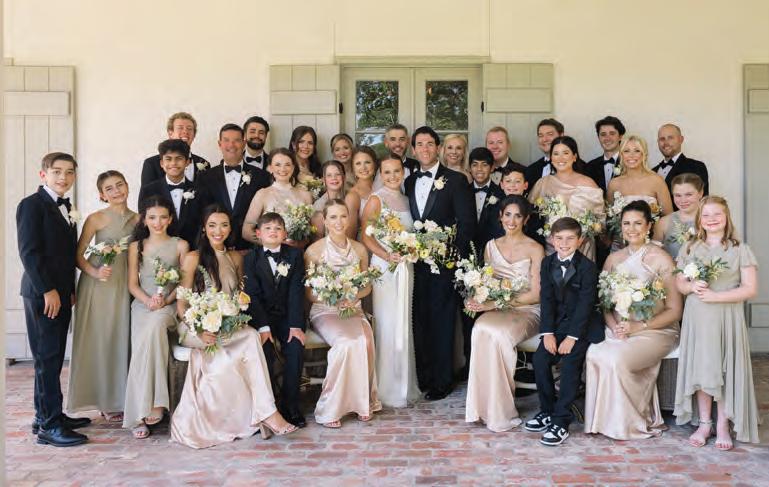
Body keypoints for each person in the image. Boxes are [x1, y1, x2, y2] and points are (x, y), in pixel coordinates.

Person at [170, 206, 297, 448]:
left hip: (227, 324)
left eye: (224, 225)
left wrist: (231, 317)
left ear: (231, 229)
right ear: (204, 228)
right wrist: (199, 329)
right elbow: (182, 304)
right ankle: (266, 414)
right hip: (196, 326)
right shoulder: (193, 258)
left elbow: (241, 297)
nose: (218, 231)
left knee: (250, 335)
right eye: (212, 225)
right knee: (239, 348)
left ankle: (267, 412)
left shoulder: (236, 257)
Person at [583, 200, 682, 440]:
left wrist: (638, 327)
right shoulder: (613, 259)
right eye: (626, 223)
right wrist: (613, 326)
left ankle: (628, 423)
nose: (631, 229)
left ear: (648, 226)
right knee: (595, 353)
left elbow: (674, 310)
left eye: (638, 223)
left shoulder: (662, 259)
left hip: (656, 330)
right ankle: (602, 422)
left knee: (616, 358)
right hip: (619, 328)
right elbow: (604, 304)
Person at [17, 152, 91, 447]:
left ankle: (46, 415)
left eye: (69, 172)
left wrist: (68, 289)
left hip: (61, 293)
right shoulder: (31, 205)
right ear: (43, 174)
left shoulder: (66, 207)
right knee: (46, 359)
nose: (63, 177)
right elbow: (29, 252)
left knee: (53, 357)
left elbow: (65, 255)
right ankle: (49, 427)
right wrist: (48, 290)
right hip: (42, 294)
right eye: (57, 171)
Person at [674, 196, 759, 448]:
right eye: (706, 215)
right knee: (702, 368)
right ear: (699, 219)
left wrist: (716, 297)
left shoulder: (740, 248)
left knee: (723, 370)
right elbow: (679, 283)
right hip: (698, 316)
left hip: (726, 316)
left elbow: (750, 288)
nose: (712, 219)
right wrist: (690, 287)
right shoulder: (689, 247)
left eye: (717, 214)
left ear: (726, 217)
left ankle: (723, 424)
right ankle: (705, 423)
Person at [405, 126, 476, 400]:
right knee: (420, 321)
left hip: (445, 264)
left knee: (443, 322)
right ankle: (424, 377)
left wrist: (451, 258)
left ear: (438, 148)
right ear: (414, 150)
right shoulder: (410, 181)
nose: (424, 149)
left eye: (429, 144)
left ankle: (442, 381)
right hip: (414, 264)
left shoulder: (456, 180)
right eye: (419, 144)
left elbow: (467, 223)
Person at [465, 196, 544, 432]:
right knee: (480, 328)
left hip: (527, 310)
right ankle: (481, 408)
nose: (512, 220)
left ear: (526, 219)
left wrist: (496, 303)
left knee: (498, 335)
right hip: (498, 308)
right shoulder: (490, 246)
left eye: (518, 216)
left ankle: (501, 411)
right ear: (500, 216)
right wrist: (477, 299)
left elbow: (536, 294)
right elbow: (485, 284)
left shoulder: (535, 248)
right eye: (508, 214)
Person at [524, 217, 604, 446]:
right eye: (559, 238)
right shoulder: (547, 263)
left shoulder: (588, 268)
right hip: (557, 326)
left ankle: (561, 421)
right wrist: (547, 333)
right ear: (552, 239)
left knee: (570, 363)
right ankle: (547, 410)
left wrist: (571, 337)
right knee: (540, 359)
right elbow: (547, 300)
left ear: (580, 241)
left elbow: (585, 306)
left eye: (570, 238)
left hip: (581, 327)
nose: (564, 243)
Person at [67, 171, 138, 425]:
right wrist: (95, 272)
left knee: (122, 338)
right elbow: (78, 255)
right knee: (101, 339)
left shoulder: (139, 219)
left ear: (127, 185)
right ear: (102, 195)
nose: (116, 191)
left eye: (120, 185)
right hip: (99, 286)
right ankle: (104, 401)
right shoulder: (95, 219)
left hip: (125, 284)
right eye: (109, 188)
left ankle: (121, 397)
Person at [305, 200, 381, 427]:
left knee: (365, 340)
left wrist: (353, 296)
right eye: (333, 217)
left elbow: (367, 286)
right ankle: (331, 407)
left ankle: (362, 403)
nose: (339, 222)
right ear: (325, 221)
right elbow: (309, 293)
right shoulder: (314, 251)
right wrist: (333, 299)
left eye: (343, 216)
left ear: (349, 219)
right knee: (346, 343)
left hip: (353, 308)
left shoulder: (359, 249)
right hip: (325, 310)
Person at [123, 196, 189, 439]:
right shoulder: (136, 247)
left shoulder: (181, 245)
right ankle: (143, 408)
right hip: (143, 306)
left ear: (170, 219)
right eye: (152, 218)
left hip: (168, 307)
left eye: (163, 217)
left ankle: (154, 404)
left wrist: (166, 300)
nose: (157, 222)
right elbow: (132, 284)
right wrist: (148, 301)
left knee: (157, 323)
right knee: (146, 336)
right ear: (144, 219)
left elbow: (184, 283)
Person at [360, 154, 420, 408]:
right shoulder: (376, 199)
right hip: (384, 267)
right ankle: (386, 387)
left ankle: (405, 384)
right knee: (387, 323)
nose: (393, 176)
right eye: (387, 172)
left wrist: (411, 250)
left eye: (397, 171)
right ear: (380, 174)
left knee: (404, 321)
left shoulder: (407, 200)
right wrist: (387, 255)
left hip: (406, 266)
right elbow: (366, 236)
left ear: (403, 173)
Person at [244, 212, 308, 428]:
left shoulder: (295, 255)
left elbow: (296, 291)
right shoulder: (250, 258)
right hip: (262, 318)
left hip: (288, 317)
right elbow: (252, 294)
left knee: (295, 347)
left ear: (285, 233)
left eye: (278, 228)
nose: (273, 232)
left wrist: (296, 325)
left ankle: (291, 405)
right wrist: (263, 327)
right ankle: (270, 407)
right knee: (265, 351)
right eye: (268, 228)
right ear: (258, 234)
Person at [528, 136, 604, 261]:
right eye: (556, 154)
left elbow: (600, 221)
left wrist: (584, 235)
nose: (560, 158)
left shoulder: (588, 183)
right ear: (551, 158)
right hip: (550, 249)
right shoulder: (543, 183)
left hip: (582, 248)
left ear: (574, 157)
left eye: (565, 153)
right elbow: (531, 217)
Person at [197, 123, 271, 251]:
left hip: (250, 249)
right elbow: (202, 214)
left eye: (236, 140)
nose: (231, 145)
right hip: (216, 247)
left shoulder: (262, 177)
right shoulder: (205, 177)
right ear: (219, 144)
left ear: (244, 143)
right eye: (226, 140)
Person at [607, 135, 674, 250]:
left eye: (637, 151)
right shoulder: (614, 184)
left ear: (644, 154)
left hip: (650, 245)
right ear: (621, 155)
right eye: (626, 151)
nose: (631, 155)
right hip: (620, 246)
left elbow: (668, 217)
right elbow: (609, 219)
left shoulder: (657, 181)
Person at [242, 148, 314, 247]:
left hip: (296, 252)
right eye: (277, 165)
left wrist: (298, 244)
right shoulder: (262, 194)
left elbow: (311, 232)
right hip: (268, 252)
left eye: (287, 165)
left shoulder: (305, 195)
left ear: (293, 167)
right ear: (270, 168)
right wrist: (271, 243)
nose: (283, 169)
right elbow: (246, 231)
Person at [138, 139, 202, 249]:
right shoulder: (148, 190)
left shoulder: (199, 190)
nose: (173, 163)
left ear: (187, 162)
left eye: (179, 158)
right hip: (158, 250)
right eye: (168, 159)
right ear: (161, 163)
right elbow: (144, 222)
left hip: (191, 250)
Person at [140, 112, 209, 188]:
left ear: (194, 135)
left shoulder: (204, 163)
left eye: (189, 128)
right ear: (170, 133)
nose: (185, 131)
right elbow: (147, 194)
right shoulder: (151, 164)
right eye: (180, 128)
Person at [653, 173, 705, 258]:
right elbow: (654, 255)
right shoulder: (663, 223)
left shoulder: (713, 220)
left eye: (688, 194)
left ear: (700, 193)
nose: (683, 200)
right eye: (678, 195)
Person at [652, 123, 710, 201]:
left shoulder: (696, 167)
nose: (666, 143)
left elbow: (703, 202)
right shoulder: (652, 172)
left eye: (670, 138)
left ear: (681, 139)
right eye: (662, 139)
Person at [311, 160, 357, 239]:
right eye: (329, 175)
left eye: (338, 174)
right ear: (323, 180)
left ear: (344, 177)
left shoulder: (351, 198)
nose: (334, 178)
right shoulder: (319, 206)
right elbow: (317, 240)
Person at [586, 116, 626, 195]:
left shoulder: (629, 163)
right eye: (603, 134)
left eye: (612, 133)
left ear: (620, 137)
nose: (607, 138)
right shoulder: (589, 167)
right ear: (598, 138)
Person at [345, 145, 378, 236]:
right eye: (358, 163)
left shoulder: (382, 188)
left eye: (367, 162)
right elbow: (350, 235)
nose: (363, 167)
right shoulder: (352, 196)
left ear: (374, 165)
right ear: (353, 168)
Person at [524, 119, 564, 189]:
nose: (545, 139)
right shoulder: (531, 170)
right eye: (541, 135)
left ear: (561, 135)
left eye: (550, 134)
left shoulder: (579, 166)